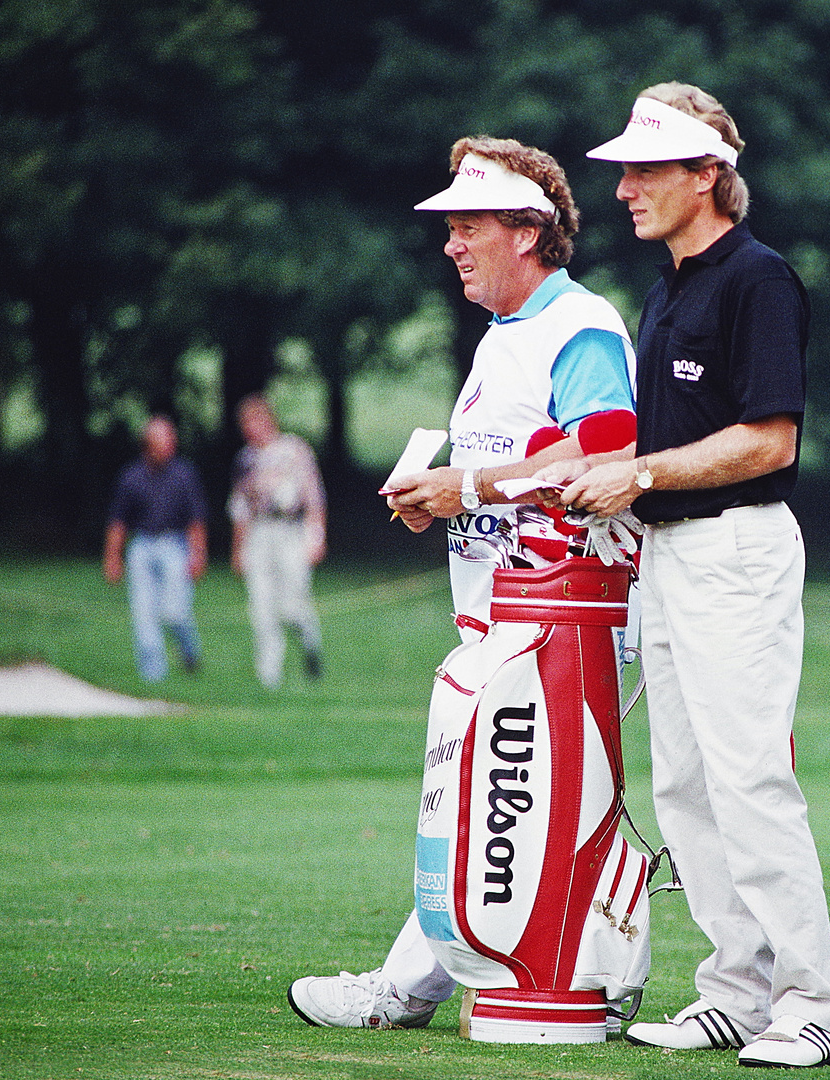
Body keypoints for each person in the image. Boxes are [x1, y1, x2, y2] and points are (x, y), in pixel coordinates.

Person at [285, 135, 637, 1031]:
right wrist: (437, 503)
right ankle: (598, 961)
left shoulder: (578, 324)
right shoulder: (500, 339)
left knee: (495, 808)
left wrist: (466, 488)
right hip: (507, 617)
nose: (450, 243)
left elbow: (605, 445)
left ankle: (405, 992)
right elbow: (508, 470)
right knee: (501, 809)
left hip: (565, 619)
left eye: (467, 225)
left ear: (527, 231)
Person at [540, 83, 830, 1068]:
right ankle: (734, 987)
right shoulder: (667, 285)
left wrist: (635, 474)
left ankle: (811, 1005)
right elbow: (660, 440)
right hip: (667, 556)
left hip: (736, 549)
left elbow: (766, 440)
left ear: (706, 174)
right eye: (623, 169)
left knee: (749, 777)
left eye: (645, 169)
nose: (624, 188)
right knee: (681, 784)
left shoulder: (758, 280)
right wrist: (594, 479)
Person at [228, 394, 327, 688]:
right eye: (244, 423)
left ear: (268, 419)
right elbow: (239, 507)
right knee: (261, 604)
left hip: (290, 531)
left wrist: (316, 537)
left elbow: (313, 496)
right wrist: (238, 549)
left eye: (254, 420)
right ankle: (268, 674)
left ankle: (310, 641)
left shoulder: (294, 450)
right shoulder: (245, 459)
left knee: (292, 603)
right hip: (259, 533)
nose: (249, 428)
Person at [103, 415, 207, 681]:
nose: (171, 443)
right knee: (144, 610)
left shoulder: (185, 473)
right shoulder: (131, 477)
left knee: (175, 610)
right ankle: (153, 673)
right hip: (142, 546)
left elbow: (196, 520)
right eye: (164, 439)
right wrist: (113, 559)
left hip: (175, 545)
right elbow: (118, 522)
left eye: (172, 437)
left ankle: (189, 651)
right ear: (148, 444)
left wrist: (198, 554)